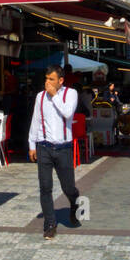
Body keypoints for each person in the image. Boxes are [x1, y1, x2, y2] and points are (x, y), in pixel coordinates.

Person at [28, 65, 80, 239]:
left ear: (61, 81)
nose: (47, 82)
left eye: (51, 79)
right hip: (44, 146)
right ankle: (50, 224)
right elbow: (35, 120)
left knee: (68, 187)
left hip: (63, 147)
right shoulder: (40, 97)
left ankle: (74, 203)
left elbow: (67, 112)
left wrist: (55, 95)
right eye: (46, 78)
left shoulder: (70, 94)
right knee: (45, 187)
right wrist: (32, 144)